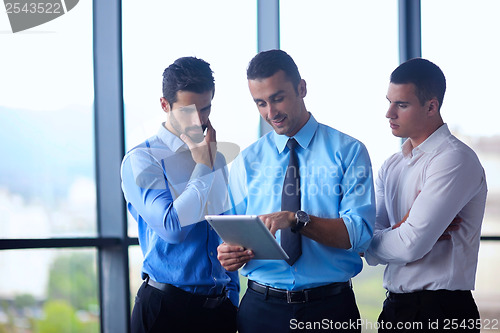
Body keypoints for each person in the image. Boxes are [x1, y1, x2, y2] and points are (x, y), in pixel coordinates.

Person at [217, 49, 375, 332]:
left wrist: (296, 220)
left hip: (330, 310)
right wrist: (229, 255)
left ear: (302, 88)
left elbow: (360, 236)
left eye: (278, 98)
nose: (271, 112)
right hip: (261, 310)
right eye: (261, 103)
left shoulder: (349, 152)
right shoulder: (247, 161)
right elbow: (234, 237)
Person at [364, 58, 488, 332]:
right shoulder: (391, 166)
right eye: (389, 101)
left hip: (442, 313)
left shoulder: (454, 159)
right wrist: (398, 230)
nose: (389, 113)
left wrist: (387, 238)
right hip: (395, 309)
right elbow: (366, 242)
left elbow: (410, 245)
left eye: (402, 105)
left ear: (431, 106)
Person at [121, 56, 238, 333]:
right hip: (165, 311)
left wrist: (232, 298)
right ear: (165, 105)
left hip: (218, 312)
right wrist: (203, 166)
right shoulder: (142, 160)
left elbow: (228, 230)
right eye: (188, 111)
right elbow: (172, 228)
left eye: (206, 109)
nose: (199, 120)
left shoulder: (217, 160)